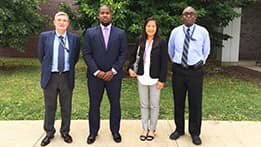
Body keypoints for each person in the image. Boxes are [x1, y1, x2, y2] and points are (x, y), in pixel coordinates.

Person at [82, 5, 128, 144]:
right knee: (94, 105)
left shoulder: (120, 33)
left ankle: (115, 131)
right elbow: (87, 54)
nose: (105, 15)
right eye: (102, 13)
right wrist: (97, 71)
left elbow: (123, 53)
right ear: (98, 15)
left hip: (114, 77)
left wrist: (113, 70)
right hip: (95, 77)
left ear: (111, 15)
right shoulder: (90, 33)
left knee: (115, 104)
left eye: (107, 13)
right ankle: (93, 132)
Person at [168, 6, 210, 145]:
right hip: (179, 71)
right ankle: (179, 129)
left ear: (195, 17)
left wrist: (199, 63)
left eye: (191, 14)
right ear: (182, 17)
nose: (188, 16)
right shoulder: (175, 32)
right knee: (178, 101)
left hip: (195, 72)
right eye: (185, 14)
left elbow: (206, 51)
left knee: (195, 103)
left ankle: (195, 132)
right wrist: (178, 63)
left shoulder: (203, 32)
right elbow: (171, 50)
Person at [38, 12, 80, 146]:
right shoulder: (45, 37)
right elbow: (41, 56)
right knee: (50, 107)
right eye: (59, 20)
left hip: (66, 77)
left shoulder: (74, 39)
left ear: (68, 23)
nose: (62, 22)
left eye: (65, 20)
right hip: (50, 77)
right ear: (54, 22)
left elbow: (75, 58)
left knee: (66, 107)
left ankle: (65, 132)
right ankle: (49, 132)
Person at [128, 17, 168, 141]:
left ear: (156, 28)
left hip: (155, 78)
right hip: (142, 77)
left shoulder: (161, 42)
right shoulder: (140, 40)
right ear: (145, 27)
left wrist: (162, 79)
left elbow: (164, 63)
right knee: (144, 105)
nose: (151, 28)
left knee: (154, 105)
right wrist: (130, 68)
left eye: (153, 26)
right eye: (148, 26)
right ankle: (145, 128)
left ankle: (152, 129)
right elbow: (133, 55)